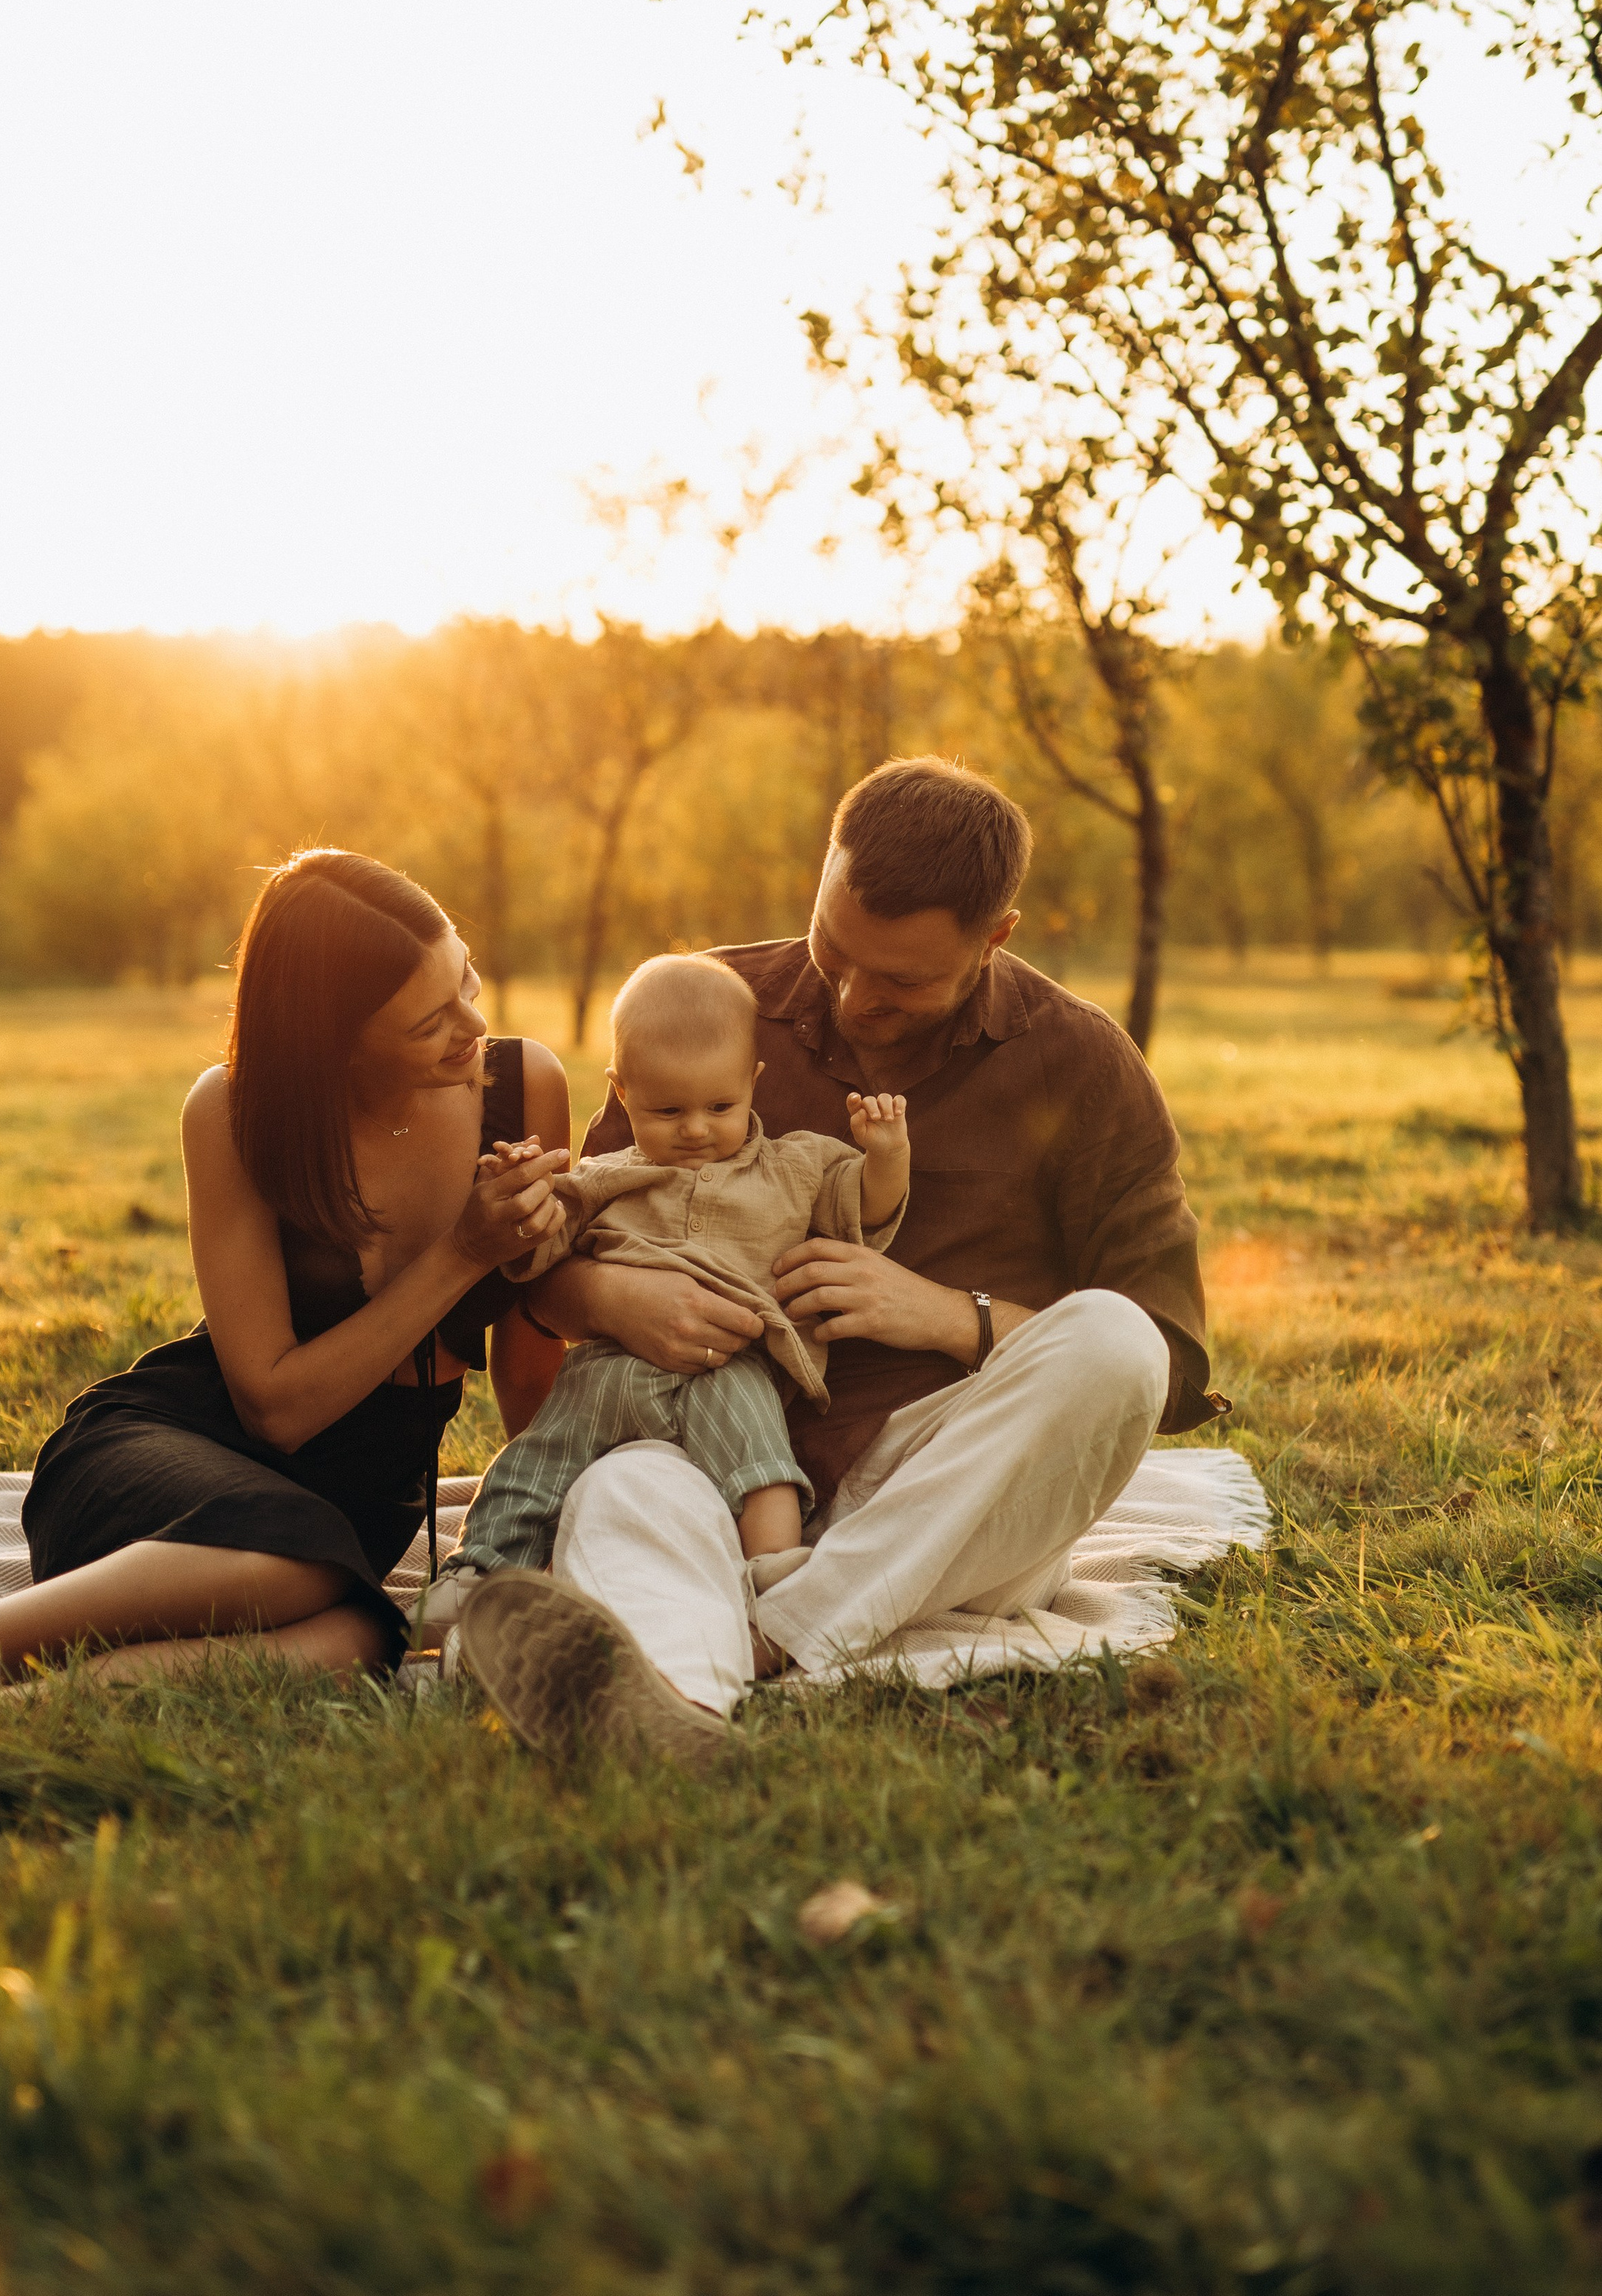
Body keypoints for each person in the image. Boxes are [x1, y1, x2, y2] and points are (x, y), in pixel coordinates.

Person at [455, 757, 1225, 1769]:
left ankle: (775, 1634)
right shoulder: (708, 1007)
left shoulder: (1081, 1063)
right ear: (825, 871)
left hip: (944, 1497)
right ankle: (679, 1715)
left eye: (902, 979)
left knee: (1114, 1341)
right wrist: (604, 1292)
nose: (857, 999)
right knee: (625, 1488)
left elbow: (1163, 1359)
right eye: (834, 951)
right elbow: (572, 1241)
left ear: (995, 938)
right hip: (716, 1463)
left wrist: (949, 1316)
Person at [0, 850, 572, 1691]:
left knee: (363, 1637)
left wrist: (535, 1518)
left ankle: (37, 1700)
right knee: (301, 1564)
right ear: (337, 1042)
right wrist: (461, 1255)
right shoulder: (234, 1112)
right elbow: (276, 1410)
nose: (474, 1027)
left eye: (466, 983)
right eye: (429, 1021)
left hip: (347, 1523)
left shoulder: (523, 1087)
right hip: (165, 1458)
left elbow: (529, 1353)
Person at [424, 950, 910, 1600]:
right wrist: (526, 1201)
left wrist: (888, 1154)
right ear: (622, 1092)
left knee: (763, 1465)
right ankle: (479, 1574)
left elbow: (866, 1207)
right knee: (539, 1458)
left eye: (719, 1105)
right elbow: (541, 1251)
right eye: (667, 1112)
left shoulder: (793, 1167)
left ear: (753, 1081)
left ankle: (772, 1576)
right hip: (611, 1368)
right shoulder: (605, 1177)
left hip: (733, 1362)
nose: (696, 1131)